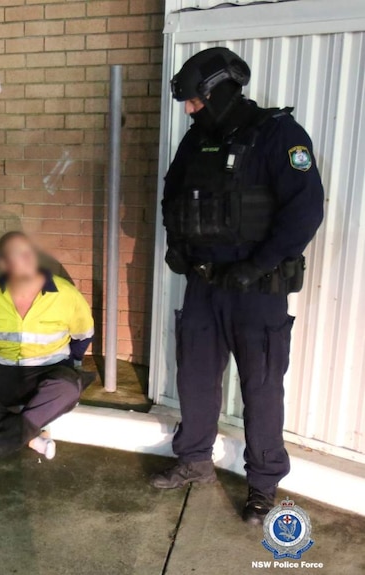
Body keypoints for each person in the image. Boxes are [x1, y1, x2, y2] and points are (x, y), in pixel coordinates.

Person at [153, 47, 324, 525]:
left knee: (262, 387)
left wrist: (259, 265)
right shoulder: (196, 141)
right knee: (195, 377)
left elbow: (305, 211)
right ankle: (194, 461)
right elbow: (173, 196)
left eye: (194, 100)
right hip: (204, 285)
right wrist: (179, 245)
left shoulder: (278, 135)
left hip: (258, 289)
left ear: (218, 92)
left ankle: (263, 486)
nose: (189, 109)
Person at [0, 232, 95, 459]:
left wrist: (71, 366)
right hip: (1, 370)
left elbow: (83, 336)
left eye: (28, 253)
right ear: (3, 263)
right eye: (16, 255)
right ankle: (32, 438)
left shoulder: (66, 294)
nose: (25, 260)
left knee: (68, 387)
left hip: (48, 369)